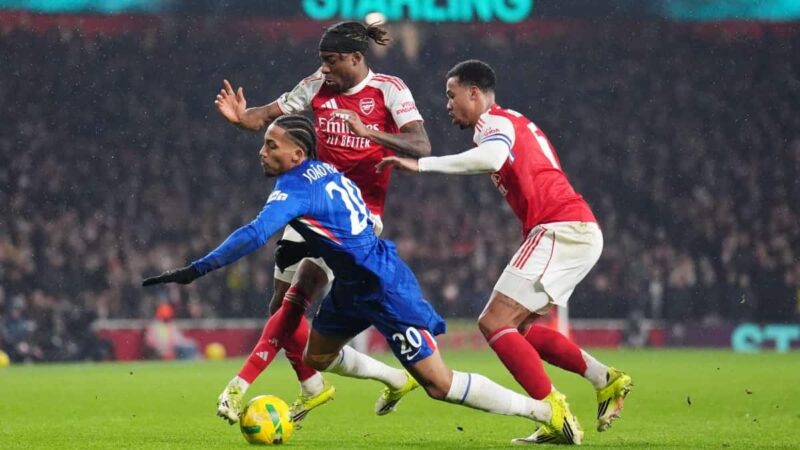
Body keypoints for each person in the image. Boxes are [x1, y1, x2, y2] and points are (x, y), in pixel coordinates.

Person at [143, 115, 582, 444]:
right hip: (353, 283)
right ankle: (394, 378)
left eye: (271, 145)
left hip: (382, 286)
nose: (262, 151)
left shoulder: (296, 187)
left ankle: (545, 412)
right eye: (263, 143)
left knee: (439, 385)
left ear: (297, 155)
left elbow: (256, 233)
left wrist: (197, 269)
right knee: (316, 356)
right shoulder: (328, 173)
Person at [377, 60, 633, 444]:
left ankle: (553, 411)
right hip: (571, 228)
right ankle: (605, 380)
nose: (447, 104)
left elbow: (492, 159)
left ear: (474, 93)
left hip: (560, 228)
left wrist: (421, 165)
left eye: (452, 95)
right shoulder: (514, 121)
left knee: (494, 322)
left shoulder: (492, 124)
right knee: (521, 331)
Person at [212, 21, 431, 424]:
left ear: (356, 58)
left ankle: (238, 388)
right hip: (311, 205)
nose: (326, 69)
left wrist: (371, 134)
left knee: (296, 301)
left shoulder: (389, 89)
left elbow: (421, 144)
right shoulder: (315, 85)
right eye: (322, 61)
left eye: (332, 61)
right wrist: (241, 118)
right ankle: (333, 384)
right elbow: (265, 116)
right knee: (280, 308)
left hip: (355, 218)